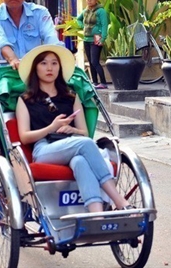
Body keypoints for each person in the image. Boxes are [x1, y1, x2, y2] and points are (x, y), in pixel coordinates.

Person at [16, 45, 132, 213]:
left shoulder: (71, 96)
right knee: (84, 144)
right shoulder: (26, 100)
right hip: (44, 149)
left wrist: (72, 130)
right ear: (35, 68)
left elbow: (83, 133)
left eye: (54, 63)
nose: (50, 68)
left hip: (72, 145)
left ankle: (96, 215)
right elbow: (25, 137)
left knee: (80, 161)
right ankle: (118, 200)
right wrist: (52, 127)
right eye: (44, 63)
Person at [76, 0, 109, 89]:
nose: (89, 1)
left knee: (95, 61)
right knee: (90, 62)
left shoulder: (101, 11)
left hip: (96, 39)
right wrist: (83, 26)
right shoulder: (86, 11)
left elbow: (104, 25)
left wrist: (103, 38)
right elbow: (78, 19)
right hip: (86, 39)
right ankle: (94, 82)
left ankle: (103, 82)